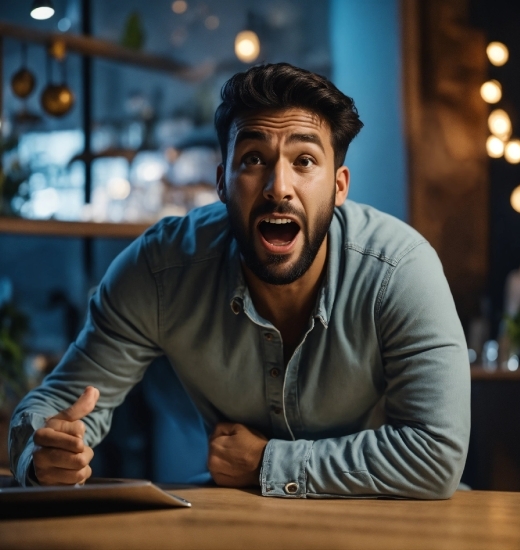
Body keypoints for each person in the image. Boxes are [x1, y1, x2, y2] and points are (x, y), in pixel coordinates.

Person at [9, 63, 470, 499]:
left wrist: (268, 463)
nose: (278, 187)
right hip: (239, 515)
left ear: (339, 185)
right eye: (253, 159)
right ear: (222, 181)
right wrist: (43, 453)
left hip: (390, 519)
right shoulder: (161, 269)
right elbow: (58, 403)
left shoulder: (400, 270)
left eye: (305, 160)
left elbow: (436, 453)